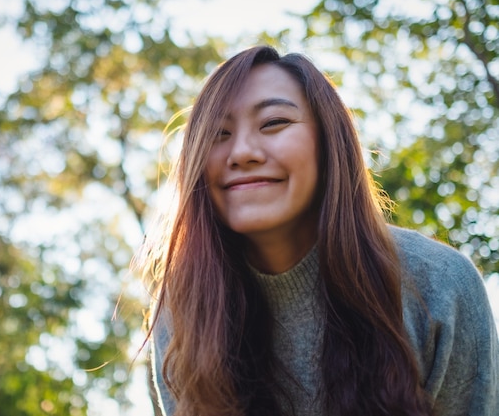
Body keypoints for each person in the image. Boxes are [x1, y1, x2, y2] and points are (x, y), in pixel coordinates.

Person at [135, 45, 499, 416]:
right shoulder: (180, 316)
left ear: (329, 145)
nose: (242, 152)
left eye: (274, 123)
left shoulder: (440, 287)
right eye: (218, 133)